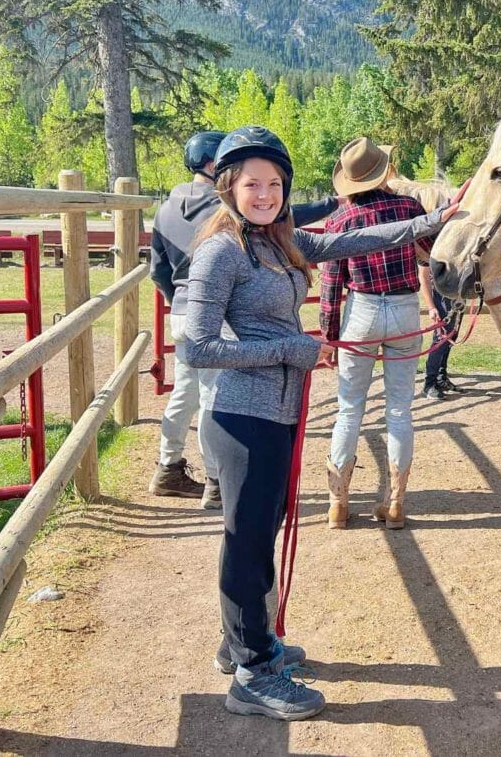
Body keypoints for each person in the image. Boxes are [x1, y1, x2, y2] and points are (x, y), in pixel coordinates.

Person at [183, 126, 449, 721]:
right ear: (228, 186)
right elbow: (196, 348)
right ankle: (252, 672)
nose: (265, 193)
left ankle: (241, 645)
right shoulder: (221, 250)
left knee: (261, 528)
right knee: (248, 539)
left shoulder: (278, 243)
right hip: (241, 415)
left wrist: (424, 225)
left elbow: (355, 241)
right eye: (252, 183)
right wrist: (290, 347)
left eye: (274, 183)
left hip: (276, 412)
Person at [149, 131, 339, 508]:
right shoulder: (221, 207)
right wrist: (331, 203)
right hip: (219, 309)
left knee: (184, 394)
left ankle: (168, 464)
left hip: (183, 309)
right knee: (211, 396)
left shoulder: (166, 207)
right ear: (214, 167)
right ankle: (217, 480)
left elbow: (157, 269)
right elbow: (278, 218)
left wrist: (178, 301)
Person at [319, 137, 439, 531]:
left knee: (349, 408)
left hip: (363, 312)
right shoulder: (407, 207)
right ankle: (395, 504)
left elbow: (332, 286)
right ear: (385, 171)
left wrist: (329, 336)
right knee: (400, 409)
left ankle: (338, 504)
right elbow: (431, 247)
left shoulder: (339, 221)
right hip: (404, 309)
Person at [420, 262, 462, 400]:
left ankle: (440, 377)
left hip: (456, 293)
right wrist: (431, 307)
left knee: (451, 337)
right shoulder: (428, 244)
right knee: (441, 340)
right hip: (440, 294)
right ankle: (429, 383)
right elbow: (423, 275)